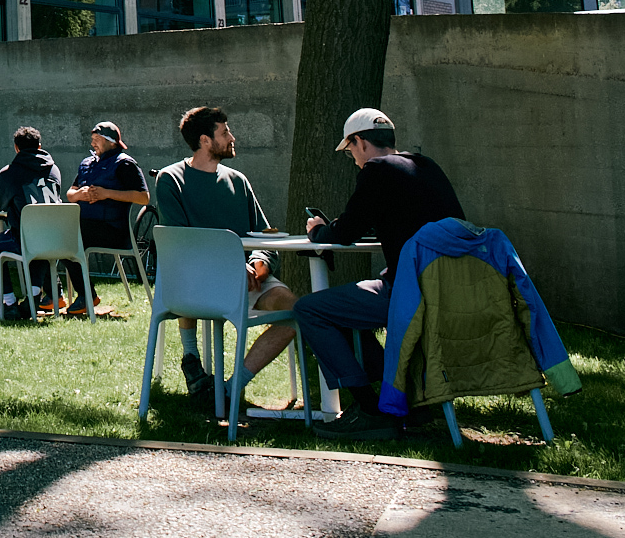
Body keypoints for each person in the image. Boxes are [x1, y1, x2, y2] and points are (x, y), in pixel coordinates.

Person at [296, 107, 465, 441]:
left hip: (410, 292)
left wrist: (317, 230)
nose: (354, 161)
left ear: (360, 142)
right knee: (348, 306)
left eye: (351, 152)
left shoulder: (376, 170)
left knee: (310, 309)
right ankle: (402, 399)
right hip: (448, 289)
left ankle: (368, 409)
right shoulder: (426, 166)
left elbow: (345, 232)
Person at [150, 106, 297, 409]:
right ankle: (191, 358)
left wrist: (260, 264)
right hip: (197, 284)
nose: (232, 138)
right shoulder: (170, 179)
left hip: (246, 279)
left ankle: (231, 388)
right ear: (205, 140)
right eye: (225, 132)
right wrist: (233, 266)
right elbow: (181, 243)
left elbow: (264, 236)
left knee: (296, 311)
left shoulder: (238, 181)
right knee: (191, 272)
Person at [66, 121, 149, 313]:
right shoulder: (87, 163)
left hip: (113, 230)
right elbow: (70, 194)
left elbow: (143, 197)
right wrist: (80, 195)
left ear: (111, 142)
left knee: (69, 238)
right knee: (61, 236)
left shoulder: (124, 163)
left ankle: (86, 296)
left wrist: (107, 193)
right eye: (92, 139)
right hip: (86, 226)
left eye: (97, 139)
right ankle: (77, 294)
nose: (93, 143)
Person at [0, 126, 63, 317]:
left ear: (16, 148)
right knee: (39, 243)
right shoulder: (54, 170)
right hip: (55, 238)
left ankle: (8, 302)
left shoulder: (9, 173)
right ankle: (33, 297)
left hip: (26, 238)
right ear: (39, 146)